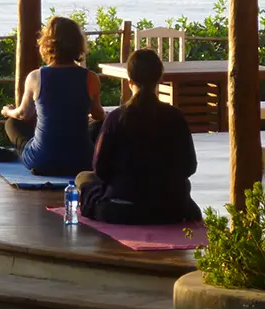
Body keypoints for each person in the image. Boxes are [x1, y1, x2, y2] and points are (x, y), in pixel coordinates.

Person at [76, 49, 201, 225]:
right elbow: (189, 167)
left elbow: (100, 169)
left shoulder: (116, 118)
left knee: (83, 178)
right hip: (171, 209)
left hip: (122, 208)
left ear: (130, 81)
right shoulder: (176, 117)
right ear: (159, 79)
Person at [1, 16, 105, 175]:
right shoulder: (91, 78)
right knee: (97, 126)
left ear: (47, 44)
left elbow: (23, 114)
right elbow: (98, 115)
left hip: (42, 160)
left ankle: (32, 156)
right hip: (82, 161)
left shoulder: (36, 77)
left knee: (11, 124)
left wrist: (8, 111)